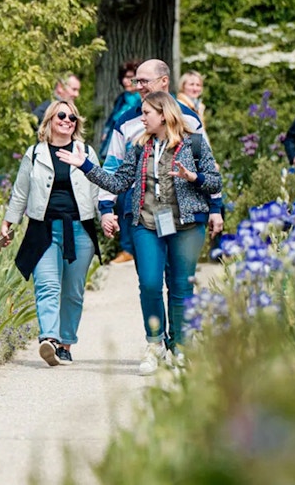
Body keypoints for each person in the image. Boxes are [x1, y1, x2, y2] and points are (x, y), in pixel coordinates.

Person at [58, 92, 223, 375]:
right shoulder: (139, 146)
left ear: (163, 114)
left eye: (146, 112)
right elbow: (119, 181)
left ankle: (181, 349)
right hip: (145, 222)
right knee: (149, 283)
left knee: (182, 286)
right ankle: (155, 345)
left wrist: (193, 177)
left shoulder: (193, 142)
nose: (142, 117)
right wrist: (84, 165)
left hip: (186, 224)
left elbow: (215, 180)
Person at [0, 99, 101, 367]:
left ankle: (66, 344)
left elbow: (98, 188)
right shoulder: (35, 153)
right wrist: (8, 222)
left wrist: (108, 217)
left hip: (79, 229)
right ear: (49, 122)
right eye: (61, 116)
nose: (67, 120)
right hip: (43, 229)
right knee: (47, 285)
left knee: (73, 291)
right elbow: (20, 191)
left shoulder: (86, 151)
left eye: (72, 117)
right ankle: (49, 339)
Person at [98, 59, 223, 241]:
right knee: (149, 267)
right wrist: (106, 208)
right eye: (136, 81)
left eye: (144, 81)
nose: (139, 86)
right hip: (139, 208)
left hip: (182, 206)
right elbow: (112, 167)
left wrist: (215, 208)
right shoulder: (125, 122)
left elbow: (207, 166)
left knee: (179, 269)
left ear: (164, 81)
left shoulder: (188, 118)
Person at [100, 60, 143, 264]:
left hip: (135, 156)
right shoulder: (121, 99)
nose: (129, 81)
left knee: (131, 201)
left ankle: (133, 248)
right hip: (118, 157)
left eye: (133, 77)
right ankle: (127, 248)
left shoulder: (139, 101)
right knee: (122, 202)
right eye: (126, 77)